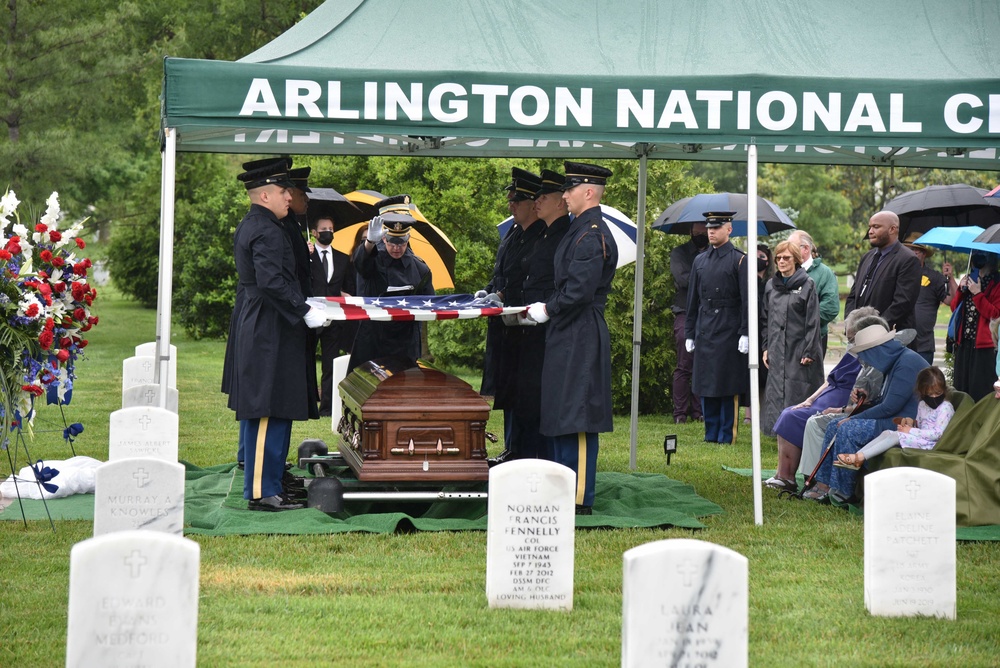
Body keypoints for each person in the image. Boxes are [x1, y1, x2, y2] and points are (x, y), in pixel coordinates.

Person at [225, 159, 326, 511]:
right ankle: (261, 491)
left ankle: (269, 485)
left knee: (275, 406)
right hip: (269, 324)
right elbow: (271, 282)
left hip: (271, 321)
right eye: (284, 191)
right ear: (265, 194)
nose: (290, 197)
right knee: (268, 407)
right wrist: (303, 310)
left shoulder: (266, 224)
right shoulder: (266, 228)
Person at [524, 161, 617, 515]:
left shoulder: (591, 233)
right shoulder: (580, 229)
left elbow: (578, 290)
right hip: (570, 328)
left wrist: (547, 308)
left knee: (577, 413)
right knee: (564, 408)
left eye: (570, 189)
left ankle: (579, 496)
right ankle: (565, 485)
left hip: (581, 329)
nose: (564, 195)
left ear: (589, 192)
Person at [495, 169, 572, 464]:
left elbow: (559, 283)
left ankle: (532, 454)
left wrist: (545, 309)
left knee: (535, 397)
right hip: (522, 322)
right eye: (535, 196)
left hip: (543, 325)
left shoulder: (558, 234)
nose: (537, 202)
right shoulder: (534, 233)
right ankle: (520, 450)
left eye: (543, 196)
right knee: (520, 393)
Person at [804, 322, 929, 502]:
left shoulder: (906, 363)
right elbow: (888, 401)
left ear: (877, 350)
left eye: (866, 355)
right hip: (894, 418)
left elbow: (890, 407)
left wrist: (853, 417)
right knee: (834, 425)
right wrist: (868, 400)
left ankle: (842, 492)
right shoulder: (897, 360)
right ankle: (823, 486)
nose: (865, 360)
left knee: (847, 428)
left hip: (903, 424)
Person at [763, 307, 869, 492]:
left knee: (792, 417)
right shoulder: (852, 352)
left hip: (840, 402)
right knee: (790, 411)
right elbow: (829, 381)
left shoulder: (868, 357)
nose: (848, 338)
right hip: (826, 397)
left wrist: (841, 409)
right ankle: (782, 474)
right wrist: (809, 400)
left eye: (851, 335)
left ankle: (788, 477)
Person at [480, 168, 544, 464]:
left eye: (516, 200)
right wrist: (489, 291)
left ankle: (522, 450)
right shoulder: (514, 232)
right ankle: (511, 447)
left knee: (524, 394)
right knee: (508, 391)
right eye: (510, 199)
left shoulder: (540, 236)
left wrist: (505, 296)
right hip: (505, 326)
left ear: (534, 203)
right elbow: (501, 272)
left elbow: (530, 281)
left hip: (525, 327)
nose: (511, 205)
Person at [685, 211, 749, 444]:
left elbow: (747, 301)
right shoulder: (700, 261)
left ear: (729, 229)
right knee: (706, 383)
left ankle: (726, 434)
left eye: (717, 227)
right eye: (709, 227)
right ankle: (710, 433)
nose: (710, 231)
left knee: (726, 383)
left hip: (729, 328)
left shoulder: (740, 260)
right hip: (706, 328)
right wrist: (689, 332)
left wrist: (745, 332)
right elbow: (692, 300)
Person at [348, 195, 434, 371]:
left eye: (401, 242)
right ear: (385, 238)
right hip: (374, 342)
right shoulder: (373, 258)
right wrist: (369, 242)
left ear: (408, 238)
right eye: (392, 242)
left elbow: (430, 302)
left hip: (405, 344)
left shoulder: (419, 267)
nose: (397, 248)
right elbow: (360, 264)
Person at [835, 366, 954, 470]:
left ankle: (859, 457)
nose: (933, 397)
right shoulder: (923, 404)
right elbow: (921, 424)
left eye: (937, 393)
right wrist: (911, 423)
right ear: (922, 392)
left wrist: (910, 431)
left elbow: (938, 434)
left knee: (897, 435)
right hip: (921, 439)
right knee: (887, 432)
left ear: (943, 390)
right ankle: (858, 457)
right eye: (929, 394)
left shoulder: (945, 407)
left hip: (932, 444)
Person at [760, 240, 824, 434]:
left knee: (797, 389)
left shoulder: (808, 285)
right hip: (776, 347)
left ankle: (796, 430)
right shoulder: (771, 285)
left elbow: (813, 321)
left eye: (786, 258)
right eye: (778, 258)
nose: (781, 261)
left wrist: (809, 351)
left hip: (799, 347)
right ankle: (775, 430)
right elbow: (765, 319)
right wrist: (765, 347)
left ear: (796, 260)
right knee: (776, 389)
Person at [307, 214, 355, 417]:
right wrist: (303, 254)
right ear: (315, 232)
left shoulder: (343, 259)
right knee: (305, 363)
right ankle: (307, 405)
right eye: (324, 229)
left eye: (331, 229)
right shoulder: (305, 256)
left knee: (331, 364)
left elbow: (346, 287)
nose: (328, 232)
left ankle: (326, 407)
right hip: (309, 317)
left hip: (334, 319)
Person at [843, 210, 921, 332]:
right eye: (869, 227)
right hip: (858, 336)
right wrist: (850, 323)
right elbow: (853, 296)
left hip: (890, 337)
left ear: (892, 229)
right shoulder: (867, 258)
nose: (870, 232)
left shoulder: (908, 260)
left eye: (876, 227)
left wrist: (873, 328)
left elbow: (902, 303)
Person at [669, 221, 708, 424]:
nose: (701, 234)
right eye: (698, 231)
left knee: (704, 364)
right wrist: (709, 277)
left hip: (709, 314)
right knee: (684, 363)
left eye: (705, 230)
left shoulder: (714, 253)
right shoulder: (680, 253)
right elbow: (682, 280)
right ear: (691, 231)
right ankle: (680, 413)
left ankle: (700, 411)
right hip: (685, 311)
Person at [950, 251, 1000, 401]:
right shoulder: (970, 278)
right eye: (975, 257)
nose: (977, 261)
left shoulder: (997, 283)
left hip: (985, 346)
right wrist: (961, 290)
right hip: (965, 342)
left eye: (982, 257)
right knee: (961, 386)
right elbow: (954, 309)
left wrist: (978, 294)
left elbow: (995, 315)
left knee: (980, 389)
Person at [788, 230, 839, 358]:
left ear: (805, 249)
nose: (787, 250)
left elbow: (830, 308)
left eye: (791, 247)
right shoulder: (785, 271)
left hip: (813, 339)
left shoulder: (824, 273)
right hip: (787, 339)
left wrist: (802, 323)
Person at [902, 235, 952, 365]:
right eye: (908, 249)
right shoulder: (899, 274)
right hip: (901, 342)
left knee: (923, 383)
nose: (911, 253)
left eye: (915, 250)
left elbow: (951, 301)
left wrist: (950, 278)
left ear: (924, 253)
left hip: (923, 345)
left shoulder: (934, 277)